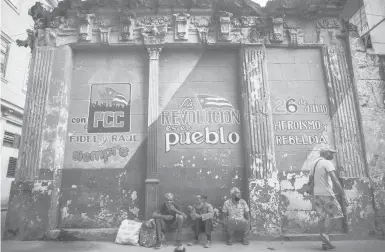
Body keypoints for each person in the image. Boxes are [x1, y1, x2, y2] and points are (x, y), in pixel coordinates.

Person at [311, 147, 347, 250]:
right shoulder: (327, 163)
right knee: (337, 215)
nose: (332, 155)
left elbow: (310, 179)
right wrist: (342, 193)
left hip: (316, 194)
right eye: (331, 153)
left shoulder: (314, 163)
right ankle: (325, 235)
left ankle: (325, 243)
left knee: (322, 217)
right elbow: (334, 179)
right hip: (327, 194)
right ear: (326, 154)